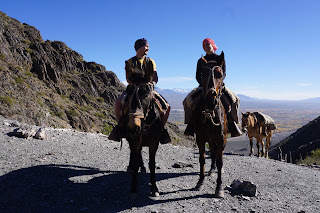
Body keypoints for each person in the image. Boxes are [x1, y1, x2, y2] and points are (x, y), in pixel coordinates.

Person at [109, 38, 171, 143]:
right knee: (118, 102)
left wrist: (152, 84)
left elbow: (155, 77)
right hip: (133, 88)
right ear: (139, 48)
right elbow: (128, 78)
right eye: (146, 46)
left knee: (167, 107)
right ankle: (119, 129)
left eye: (148, 46)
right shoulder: (130, 62)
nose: (148, 48)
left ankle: (161, 129)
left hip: (147, 89)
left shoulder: (150, 61)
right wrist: (135, 84)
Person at [183, 38, 242, 137]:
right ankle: (190, 125)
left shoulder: (219, 58)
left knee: (235, 100)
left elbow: (224, 74)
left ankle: (233, 125)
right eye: (204, 45)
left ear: (213, 45)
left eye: (208, 44)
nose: (206, 47)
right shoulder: (201, 61)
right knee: (187, 101)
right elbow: (198, 76)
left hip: (218, 87)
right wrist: (205, 85)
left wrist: (218, 83)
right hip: (204, 87)